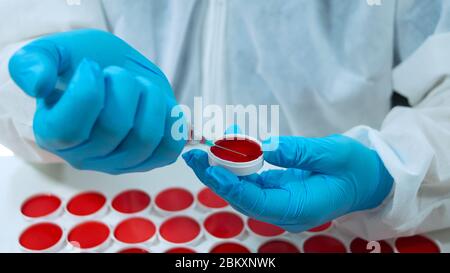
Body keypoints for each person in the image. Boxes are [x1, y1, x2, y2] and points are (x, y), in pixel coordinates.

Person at [1, 0, 450, 240]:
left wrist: (389, 172)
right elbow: (16, 48)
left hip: (345, 216)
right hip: (119, 200)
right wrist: (44, 99)